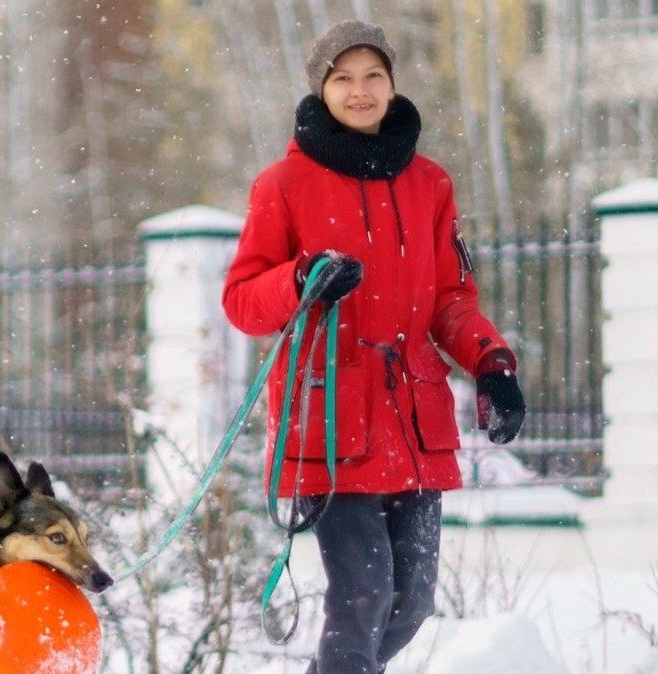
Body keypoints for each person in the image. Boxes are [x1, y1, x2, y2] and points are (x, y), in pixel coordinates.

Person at [221, 19, 527, 674]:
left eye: (373, 77)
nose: (359, 92)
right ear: (321, 89)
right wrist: (301, 278)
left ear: (391, 84)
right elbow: (243, 300)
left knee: (410, 604)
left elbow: (450, 300)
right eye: (343, 79)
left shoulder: (430, 185)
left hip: (415, 423)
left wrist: (492, 365)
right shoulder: (282, 185)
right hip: (330, 422)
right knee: (362, 596)